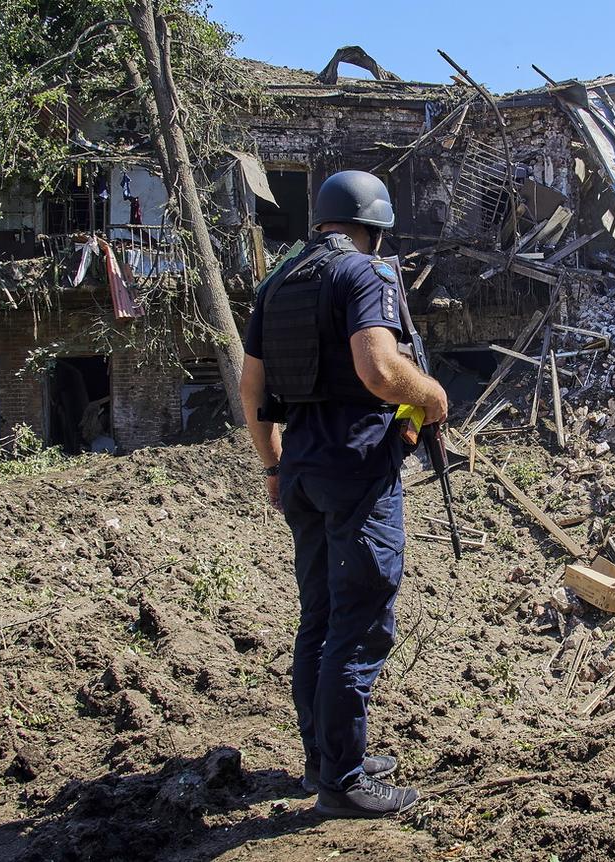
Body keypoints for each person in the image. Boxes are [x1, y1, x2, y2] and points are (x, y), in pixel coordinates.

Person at [239, 170, 448, 818]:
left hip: (300, 471)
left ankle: (322, 760)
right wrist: (433, 399)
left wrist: (272, 466)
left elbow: (251, 390)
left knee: (321, 621)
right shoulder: (363, 274)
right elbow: (380, 370)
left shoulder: (278, 282)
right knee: (356, 628)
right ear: (375, 227)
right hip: (356, 475)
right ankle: (344, 782)